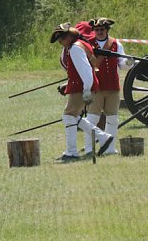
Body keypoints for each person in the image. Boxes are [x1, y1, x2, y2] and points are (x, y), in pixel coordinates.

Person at [51, 23, 114, 162]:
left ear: (69, 36)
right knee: (73, 117)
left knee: (68, 116)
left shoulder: (75, 48)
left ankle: (72, 152)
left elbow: (86, 72)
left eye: (62, 38)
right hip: (80, 86)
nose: (60, 42)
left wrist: (86, 90)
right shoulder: (80, 45)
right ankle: (102, 137)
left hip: (81, 87)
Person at [81, 18, 132, 155]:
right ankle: (89, 148)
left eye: (102, 29)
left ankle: (110, 149)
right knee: (92, 119)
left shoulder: (116, 44)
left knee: (112, 119)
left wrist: (128, 62)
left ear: (107, 30)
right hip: (96, 87)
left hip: (112, 87)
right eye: (97, 29)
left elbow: (122, 63)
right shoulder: (87, 44)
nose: (99, 32)